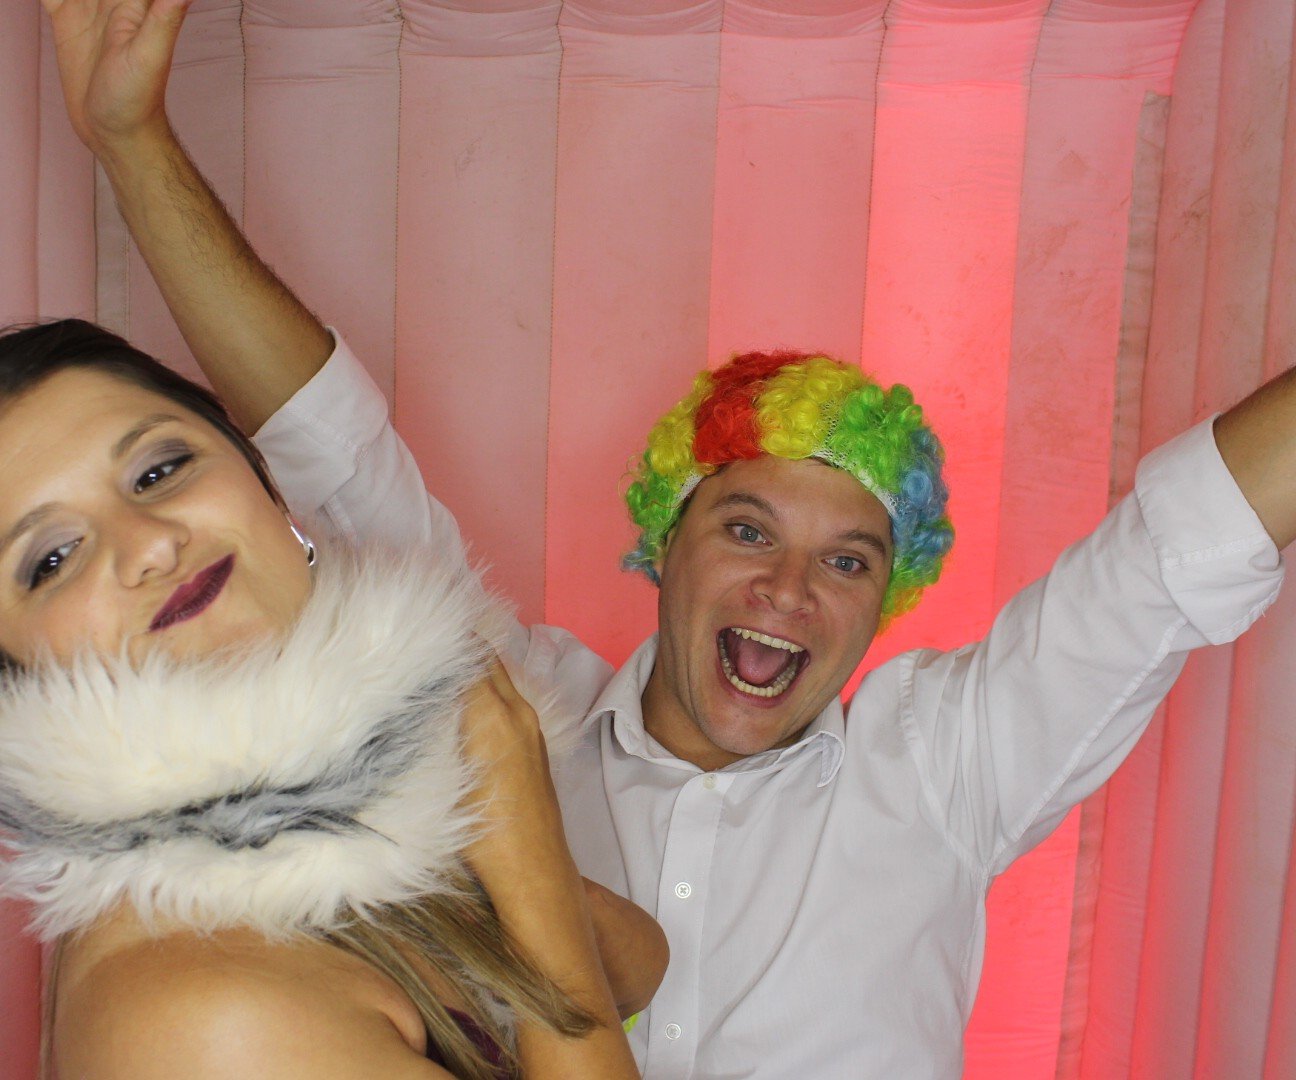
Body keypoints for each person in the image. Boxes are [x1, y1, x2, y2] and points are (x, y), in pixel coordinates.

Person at [44, 0, 1296, 1075]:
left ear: (886, 599)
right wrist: (131, 139)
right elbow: (332, 446)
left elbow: (1163, 557)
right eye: (747, 528)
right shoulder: (508, 703)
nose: (790, 588)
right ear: (665, 543)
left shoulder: (943, 763)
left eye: (847, 560)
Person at [0, 319, 665, 1079]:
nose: (151, 544)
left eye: (159, 472)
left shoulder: (351, 812)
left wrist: (499, 840)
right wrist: (524, 843)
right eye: (52, 558)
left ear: (264, 480)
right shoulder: (203, 1020)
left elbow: (640, 963)